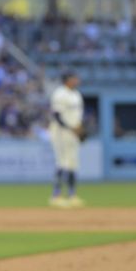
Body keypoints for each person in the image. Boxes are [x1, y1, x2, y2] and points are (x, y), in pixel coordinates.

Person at [48, 72, 85, 208]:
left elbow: (77, 116)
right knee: (62, 162)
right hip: (60, 132)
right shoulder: (59, 94)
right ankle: (56, 196)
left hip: (73, 133)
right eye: (74, 78)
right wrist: (71, 128)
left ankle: (72, 195)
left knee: (73, 163)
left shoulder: (76, 94)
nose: (76, 80)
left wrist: (79, 128)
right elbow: (57, 116)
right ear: (67, 80)